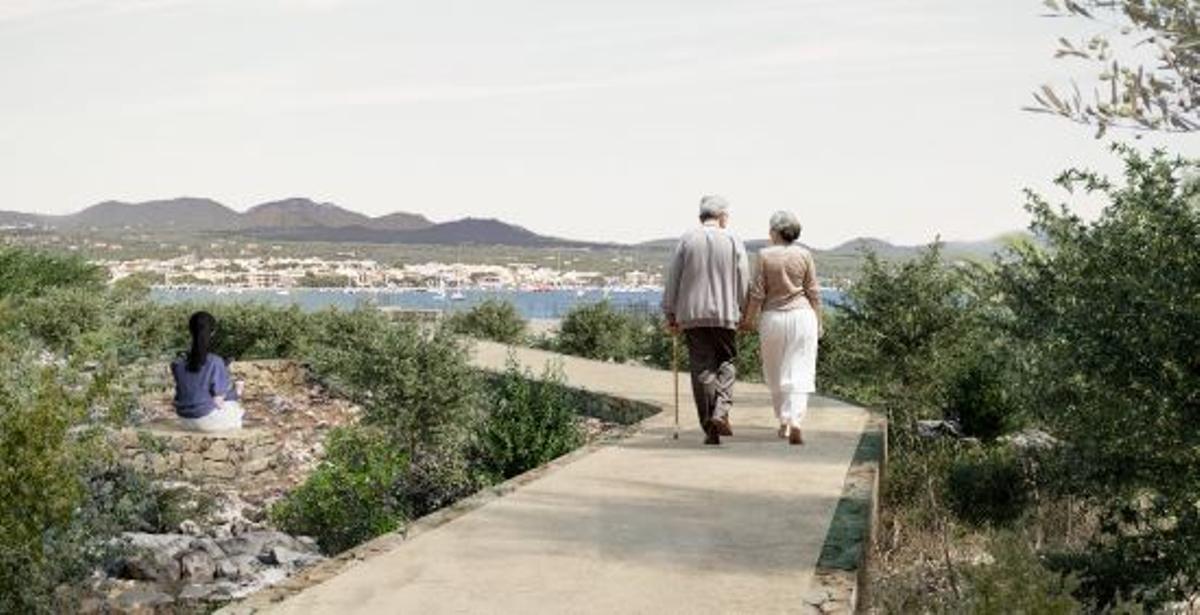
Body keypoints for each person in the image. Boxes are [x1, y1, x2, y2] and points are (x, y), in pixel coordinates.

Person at [662, 195, 750, 445]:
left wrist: (670, 311)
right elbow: (743, 277)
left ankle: (710, 428)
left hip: (692, 315)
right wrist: (746, 311)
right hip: (725, 315)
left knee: (702, 370)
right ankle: (721, 412)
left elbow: (673, 278)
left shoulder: (687, 239)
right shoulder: (733, 239)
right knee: (727, 362)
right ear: (721, 216)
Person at [738, 211, 822, 445]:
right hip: (803, 316)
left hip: (773, 317)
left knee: (775, 371)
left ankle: (784, 422)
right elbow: (813, 292)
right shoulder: (805, 254)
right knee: (801, 370)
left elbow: (757, 293)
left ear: (775, 232)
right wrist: (819, 322)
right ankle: (796, 420)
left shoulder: (764, 255)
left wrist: (747, 321)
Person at [171, 311, 245, 432]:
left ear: (190, 331)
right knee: (236, 409)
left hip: (183, 420)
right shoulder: (215, 361)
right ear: (213, 332)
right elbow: (218, 400)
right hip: (206, 422)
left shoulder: (177, 363)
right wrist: (237, 391)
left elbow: (193, 389)